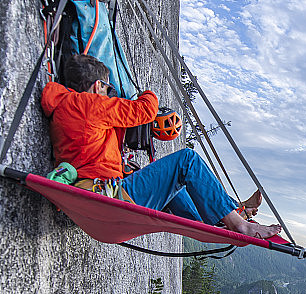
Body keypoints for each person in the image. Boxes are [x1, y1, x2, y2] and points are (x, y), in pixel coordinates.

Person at [40, 54, 281, 239]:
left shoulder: (63, 109)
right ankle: (239, 224)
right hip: (112, 201)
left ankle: (225, 217)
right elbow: (145, 109)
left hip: (92, 205)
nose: (110, 95)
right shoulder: (87, 104)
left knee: (174, 183)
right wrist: (143, 92)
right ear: (97, 86)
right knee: (187, 161)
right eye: (108, 89)